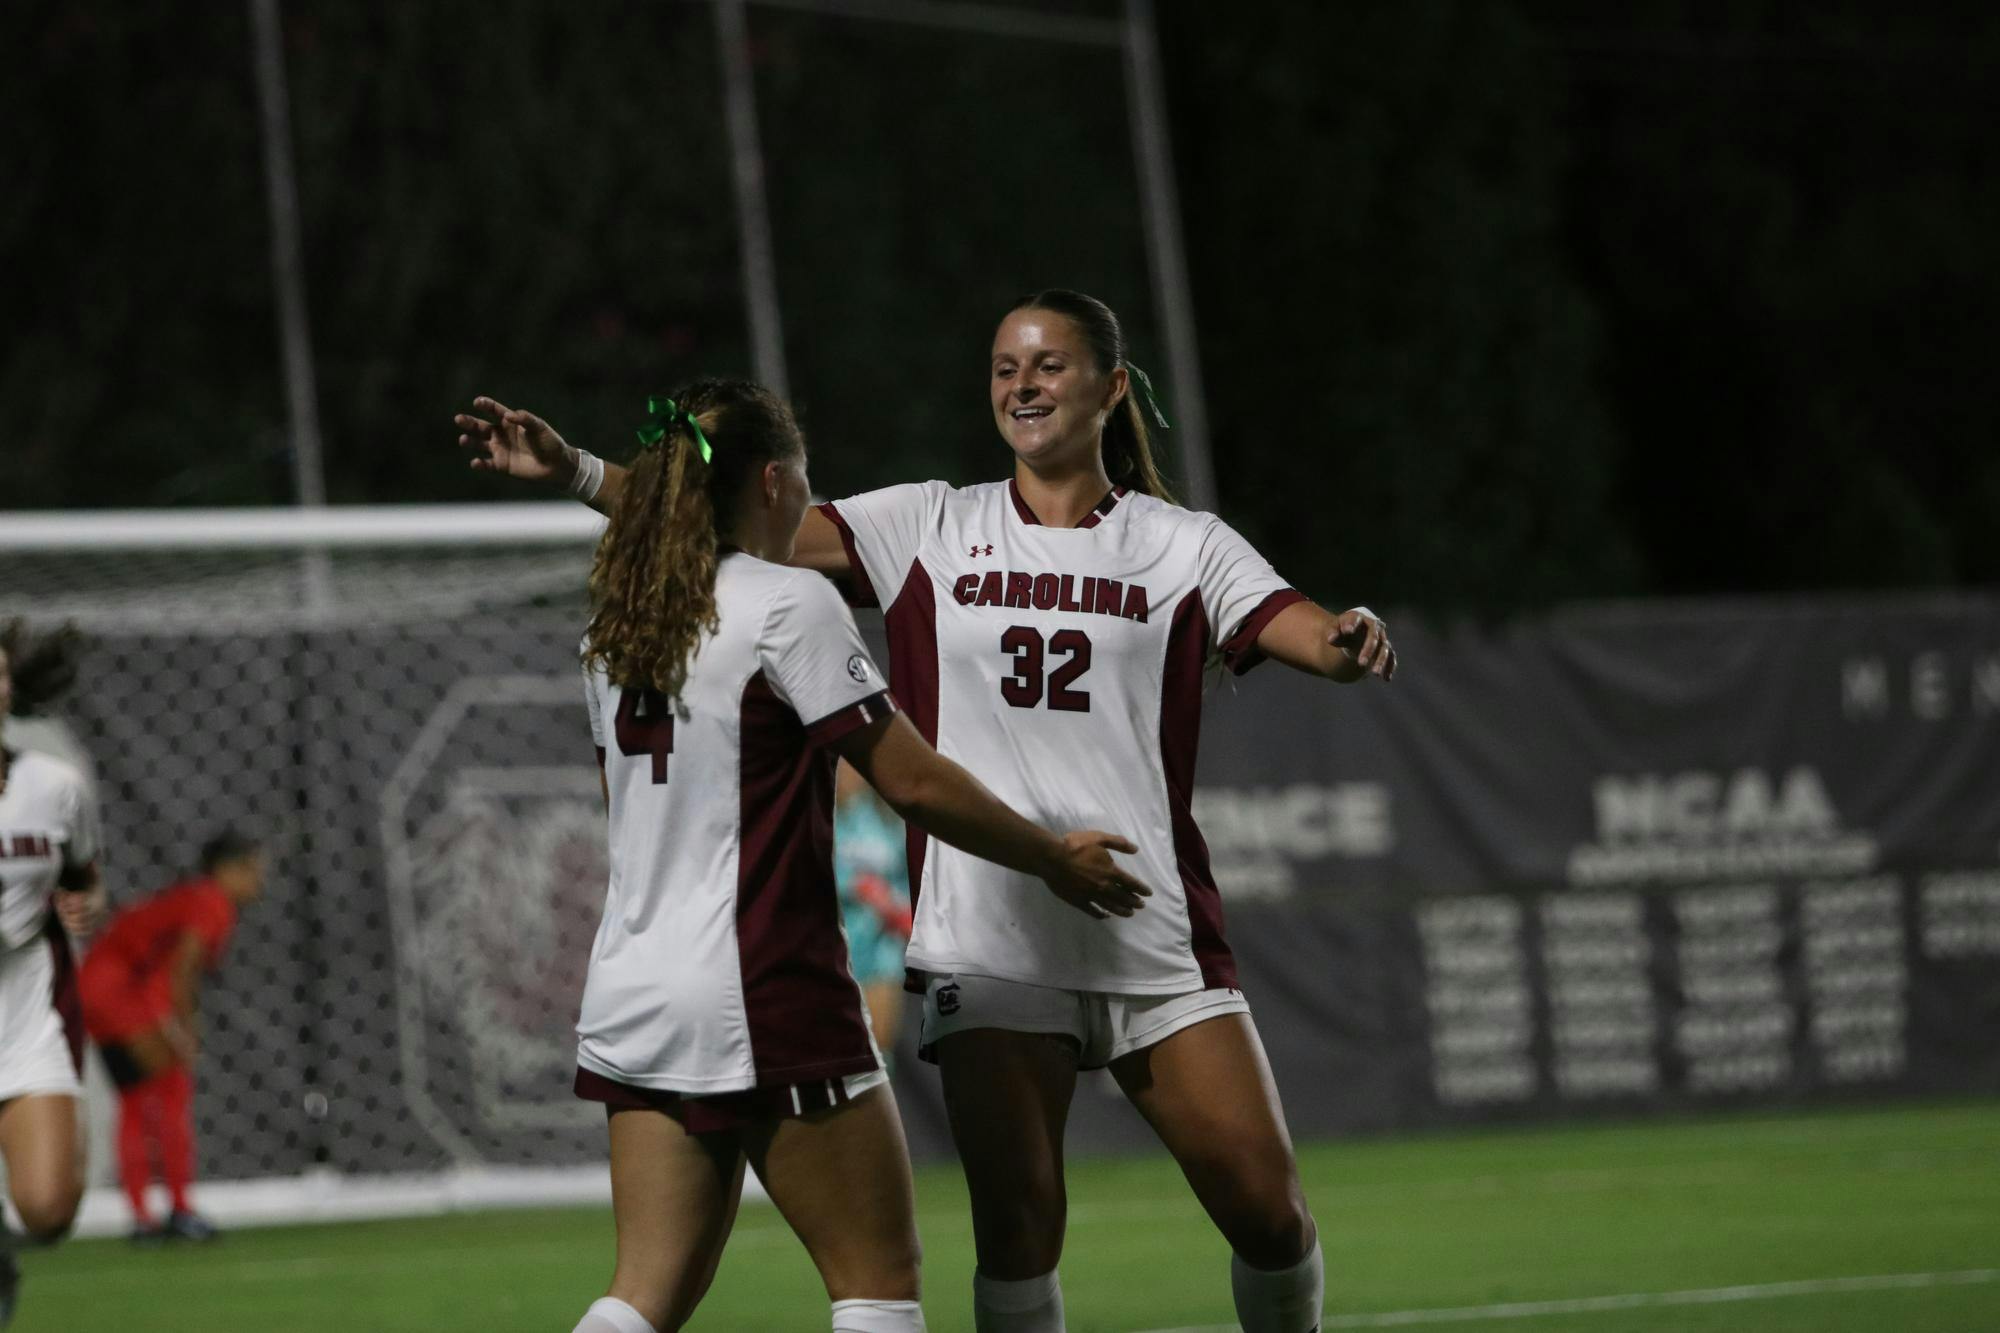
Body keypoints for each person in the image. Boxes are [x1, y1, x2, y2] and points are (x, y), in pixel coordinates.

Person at [456, 290, 1396, 1333]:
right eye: (1003, 367)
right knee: (1015, 1236)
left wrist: (1346, 640)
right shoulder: (928, 522)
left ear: (1111, 388)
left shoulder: (1182, 544)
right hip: (987, 938)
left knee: (1268, 1216)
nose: (1022, 384)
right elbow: (719, 510)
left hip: (1145, 928)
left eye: (1046, 365)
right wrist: (583, 472)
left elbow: (1303, 629)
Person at [481, 379, 1148, 1333]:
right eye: (804, 479)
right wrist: (1051, 856)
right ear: (772, 480)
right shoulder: (786, 602)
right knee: (877, 1283)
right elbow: (910, 781)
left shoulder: (615, 627)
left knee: (643, 1294)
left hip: (635, 984)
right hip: (761, 984)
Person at [77, 830, 265, 1243]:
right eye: (251, 871)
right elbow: (182, 969)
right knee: (171, 1093)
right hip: (121, 992)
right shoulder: (211, 902)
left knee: (136, 1102)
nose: (259, 882)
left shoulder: (191, 897)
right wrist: (185, 1029)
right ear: (225, 870)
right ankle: (178, 1209)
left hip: (95, 986)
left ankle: (143, 1216)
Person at [0, 635, 105, 1326]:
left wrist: (84, 899)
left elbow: (80, 875)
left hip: (23, 1004)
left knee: (46, 1210)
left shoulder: (54, 784)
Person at [834, 761, 914, 1058]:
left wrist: (897, 908)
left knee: (878, 1049)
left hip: (879, 950)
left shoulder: (885, 821)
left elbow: (905, 879)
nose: (846, 775)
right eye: (839, 766)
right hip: (833, 950)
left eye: (852, 766)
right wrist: (855, 886)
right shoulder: (817, 818)